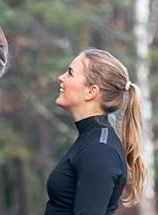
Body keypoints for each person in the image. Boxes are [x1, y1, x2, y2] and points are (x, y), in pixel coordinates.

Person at [44, 48, 146, 214]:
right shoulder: (92, 141)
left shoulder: (100, 150)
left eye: (70, 73)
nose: (61, 77)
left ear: (91, 91)